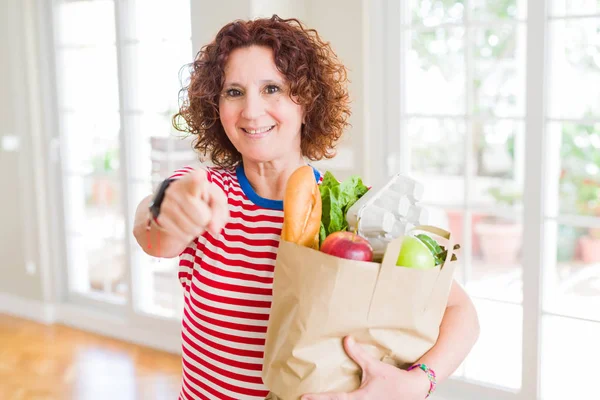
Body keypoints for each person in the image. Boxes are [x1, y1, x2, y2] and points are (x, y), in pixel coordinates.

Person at [133, 15, 480, 400]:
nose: (251, 110)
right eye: (233, 92)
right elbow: (152, 235)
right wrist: (168, 207)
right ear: (215, 106)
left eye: (271, 88)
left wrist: (417, 383)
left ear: (306, 100)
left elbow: (461, 313)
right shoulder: (204, 190)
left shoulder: (352, 209)